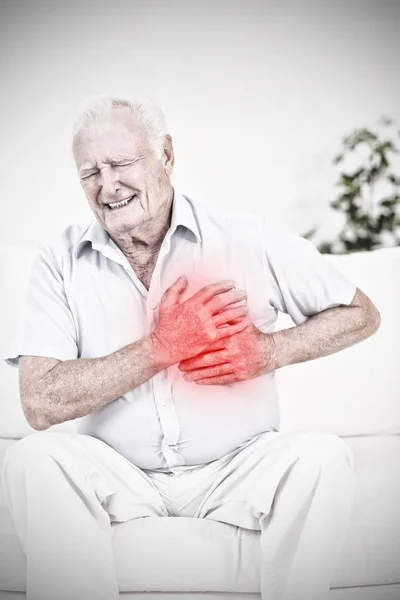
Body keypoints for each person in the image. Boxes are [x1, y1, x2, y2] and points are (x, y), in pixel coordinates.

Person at [2, 94, 381, 600]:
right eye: (89, 171)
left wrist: (270, 351)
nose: (106, 185)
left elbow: (361, 314)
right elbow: (39, 403)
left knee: (321, 457)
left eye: (121, 163)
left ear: (166, 155)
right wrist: (161, 346)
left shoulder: (249, 239)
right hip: (120, 473)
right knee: (35, 460)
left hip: (237, 466)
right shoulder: (60, 262)